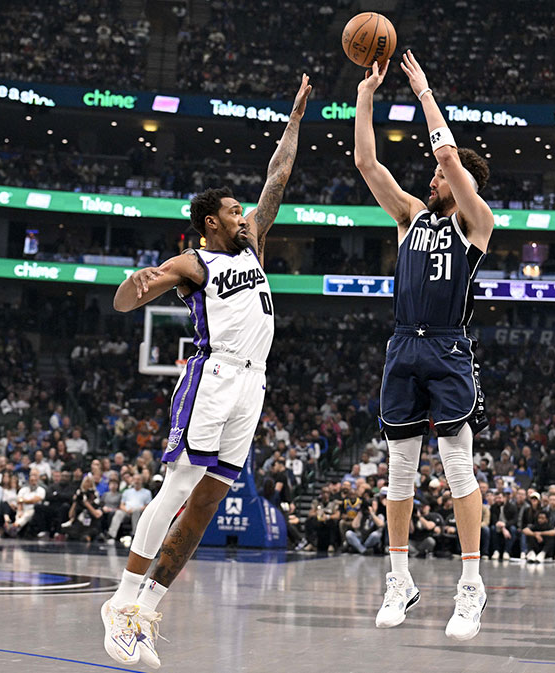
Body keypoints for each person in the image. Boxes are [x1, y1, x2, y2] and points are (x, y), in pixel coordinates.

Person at [99, 75, 310, 670]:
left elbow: (277, 177)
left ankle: (145, 612)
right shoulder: (195, 261)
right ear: (211, 223)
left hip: (253, 383)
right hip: (212, 378)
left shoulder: (254, 246)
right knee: (178, 488)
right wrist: (132, 285)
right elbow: (126, 301)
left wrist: (294, 118)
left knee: (207, 502)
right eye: (234, 211)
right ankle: (119, 602)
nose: (245, 214)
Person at [355, 51, 495, 642]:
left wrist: (424, 91)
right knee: (399, 473)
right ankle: (399, 578)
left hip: (446, 349)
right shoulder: (410, 216)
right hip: (401, 348)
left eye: (441, 175)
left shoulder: (477, 222)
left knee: (458, 465)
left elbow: (447, 156)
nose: (431, 177)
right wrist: (366, 94)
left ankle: (470, 584)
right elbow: (366, 161)